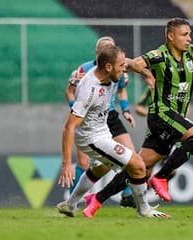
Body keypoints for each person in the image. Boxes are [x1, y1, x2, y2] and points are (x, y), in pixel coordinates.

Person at [87, 17, 193, 206]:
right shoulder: (159, 56)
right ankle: (161, 177)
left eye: (190, 34)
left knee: (141, 166)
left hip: (174, 119)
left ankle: (97, 199)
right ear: (171, 36)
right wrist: (128, 67)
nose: (189, 38)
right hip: (161, 114)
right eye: (184, 35)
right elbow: (134, 63)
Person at [57, 44, 169, 219]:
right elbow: (69, 126)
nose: (124, 70)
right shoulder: (90, 89)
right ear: (108, 67)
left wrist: (147, 74)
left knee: (100, 169)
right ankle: (144, 209)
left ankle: (70, 204)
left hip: (102, 130)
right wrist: (66, 163)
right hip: (91, 138)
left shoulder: (109, 70)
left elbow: (131, 64)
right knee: (138, 165)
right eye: (121, 66)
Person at [64, 36, 136, 208]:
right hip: (88, 119)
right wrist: (77, 108)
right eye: (104, 48)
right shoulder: (84, 71)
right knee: (83, 163)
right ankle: (74, 201)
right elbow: (70, 91)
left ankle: (126, 195)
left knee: (131, 155)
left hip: (109, 116)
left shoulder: (118, 70)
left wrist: (126, 110)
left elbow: (121, 91)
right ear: (97, 53)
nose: (108, 50)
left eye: (111, 47)